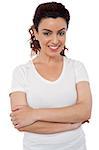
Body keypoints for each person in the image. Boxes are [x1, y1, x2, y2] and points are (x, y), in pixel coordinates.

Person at [9, 2, 92, 150]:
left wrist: (34, 114)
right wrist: (70, 123)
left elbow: (85, 111)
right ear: (35, 32)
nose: (55, 40)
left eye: (61, 33)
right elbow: (21, 122)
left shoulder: (77, 68)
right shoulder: (21, 72)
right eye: (47, 33)